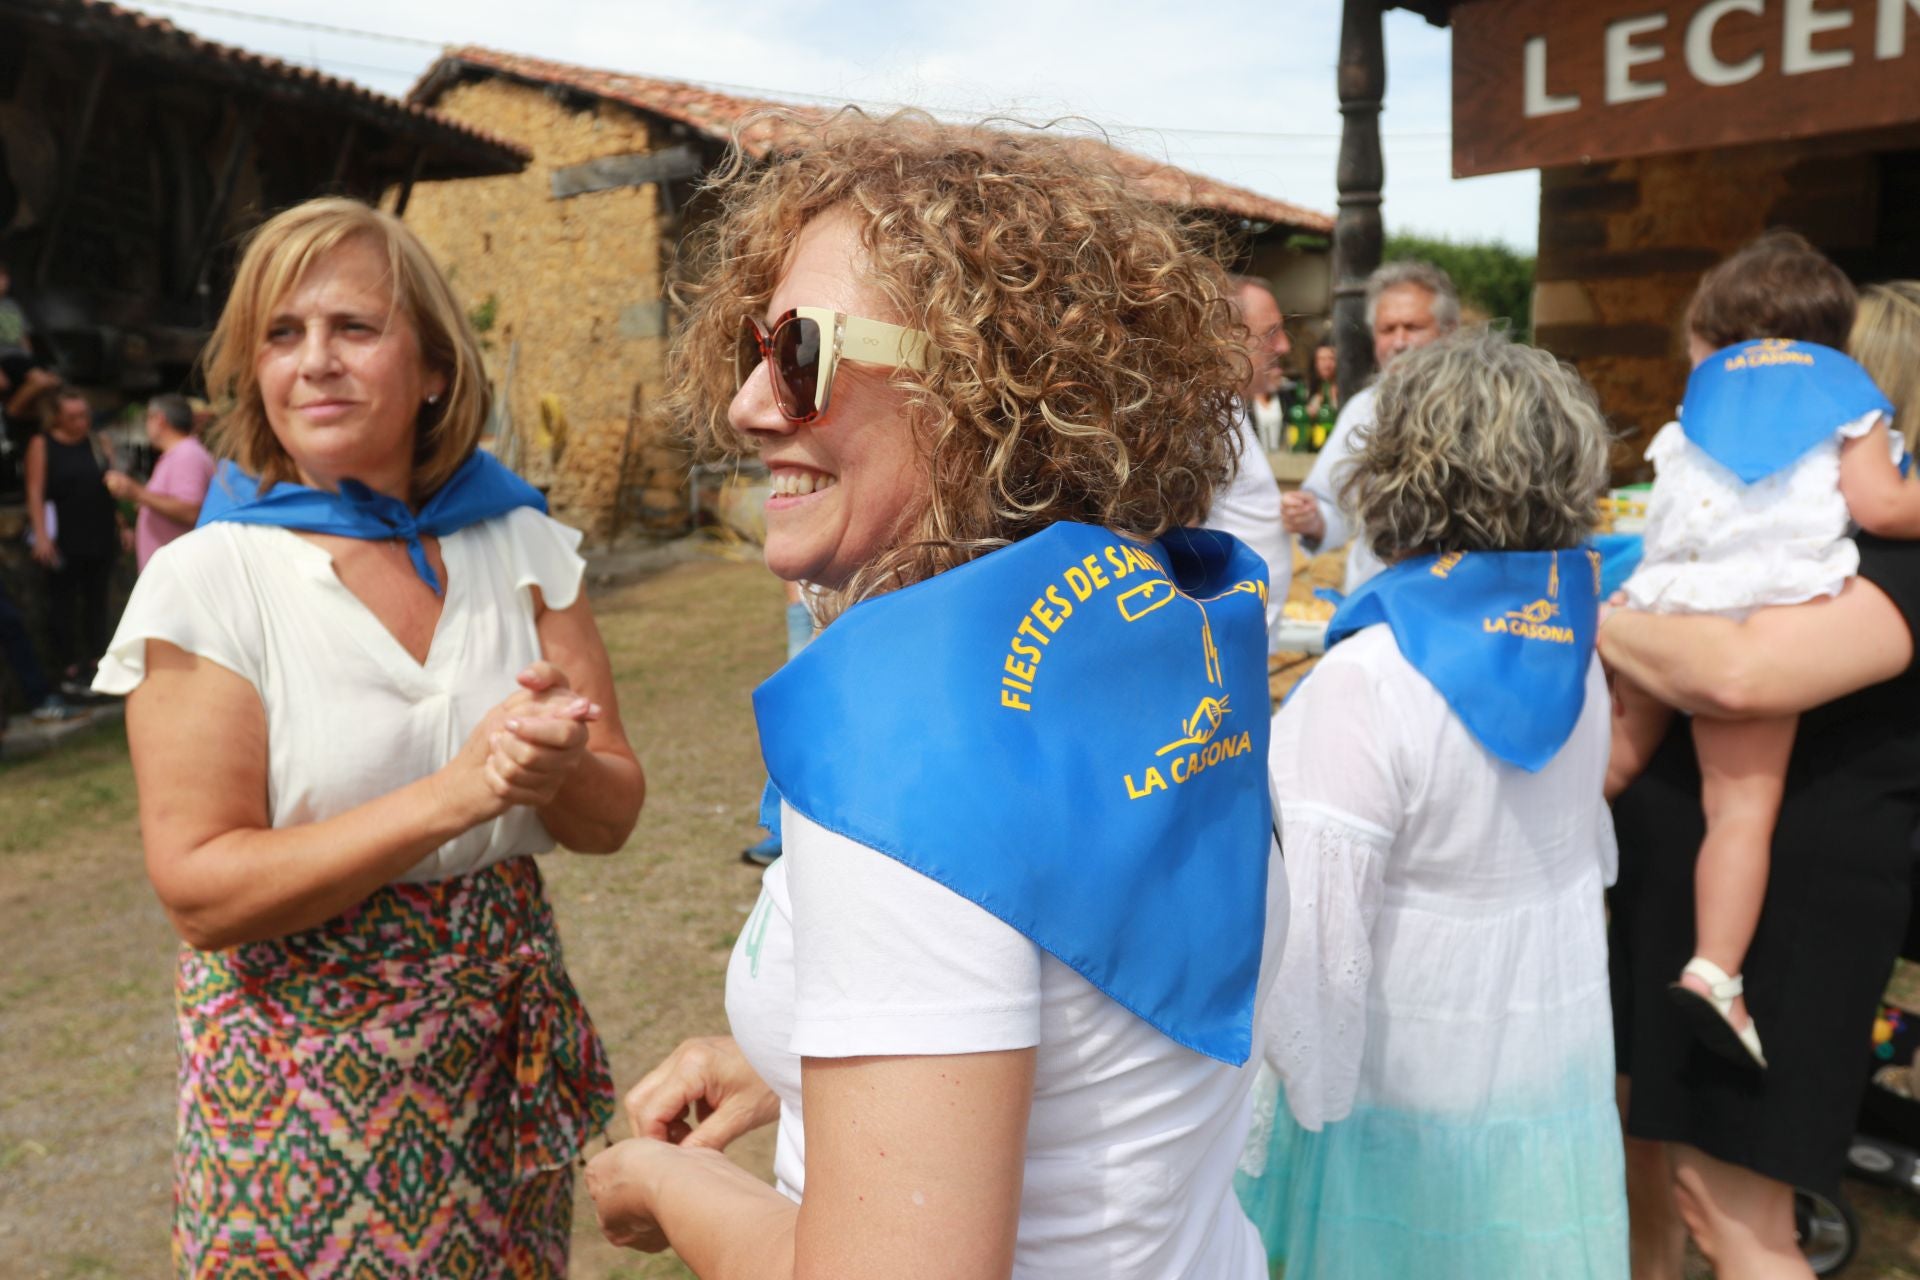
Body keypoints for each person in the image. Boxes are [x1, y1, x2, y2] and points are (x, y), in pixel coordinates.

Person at [584, 113, 1288, 1280]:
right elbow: (1083, 1033)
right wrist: (797, 1058)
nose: (752, 405)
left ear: (985, 390)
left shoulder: (904, 749)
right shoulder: (1165, 640)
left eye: (801, 351)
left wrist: (678, 1183)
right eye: (755, 348)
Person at [90, 197, 645, 1278]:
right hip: (299, 1092)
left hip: (497, 1064)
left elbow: (613, 811)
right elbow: (200, 889)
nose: (316, 363)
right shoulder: (213, 579)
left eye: (355, 327)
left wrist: (558, 765)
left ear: (433, 366)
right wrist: (461, 789)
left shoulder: (519, 539)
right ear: (255, 373)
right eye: (283, 335)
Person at [1237, 329, 1628, 1278]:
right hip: (1545, 1077)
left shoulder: (1372, 677)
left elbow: (1311, 945)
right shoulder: (1576, 649)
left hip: (1399, 1099)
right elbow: (1586, 858)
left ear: (1400, 469)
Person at [1603, 277, 1920, 1280]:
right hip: (1693, 894)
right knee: (1649, 1172)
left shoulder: (1890, 558)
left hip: (1787, 927)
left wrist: (1593, 613)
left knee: (1738, 1221)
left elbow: (1738, 674)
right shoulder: (1803, 533)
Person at [1281, 260, 1460, 593]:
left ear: (1448, 331)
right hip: (1377, 597)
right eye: (1387, 330)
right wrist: (1313, 519)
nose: (1399, 341)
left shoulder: (1480, 407)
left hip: (1461, 599)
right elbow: (1333, 502)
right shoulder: (1364, 408)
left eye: (1413, 327)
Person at [1204, 275, 1293, 650]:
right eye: (1271, 332)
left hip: (1239, 647)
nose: (1284, 346)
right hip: (1220, 650)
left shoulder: (1231, 407)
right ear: (1231, 334)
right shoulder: (1206, 414)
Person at [26, 388, 122, 691]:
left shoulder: (98, 442)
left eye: (84, 415)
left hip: (100, 531)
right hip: (65, 535)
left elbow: (112, 487)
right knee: (63, 603)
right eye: (73, 416)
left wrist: (122, 524)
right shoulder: (42, 445)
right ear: (57, 417)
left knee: (97, 601)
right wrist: (41, 535)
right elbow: (35, 491)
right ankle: (69, 668)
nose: (81, 422)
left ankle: (97, 663)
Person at [105, 393, 216, 571]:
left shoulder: (186, 455)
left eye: (147, 418)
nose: (146, 426)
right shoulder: (178, 454)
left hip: (177, 572)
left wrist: (137, 492)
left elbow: (190, 510)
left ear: (159, 419)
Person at [1290, 340, 1341, 449]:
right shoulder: (1306, 387)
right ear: (1315, 362)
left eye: (1331, 358)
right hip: (1311, 446)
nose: (1326, 364)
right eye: (1322, 359)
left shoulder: (1344, 387)